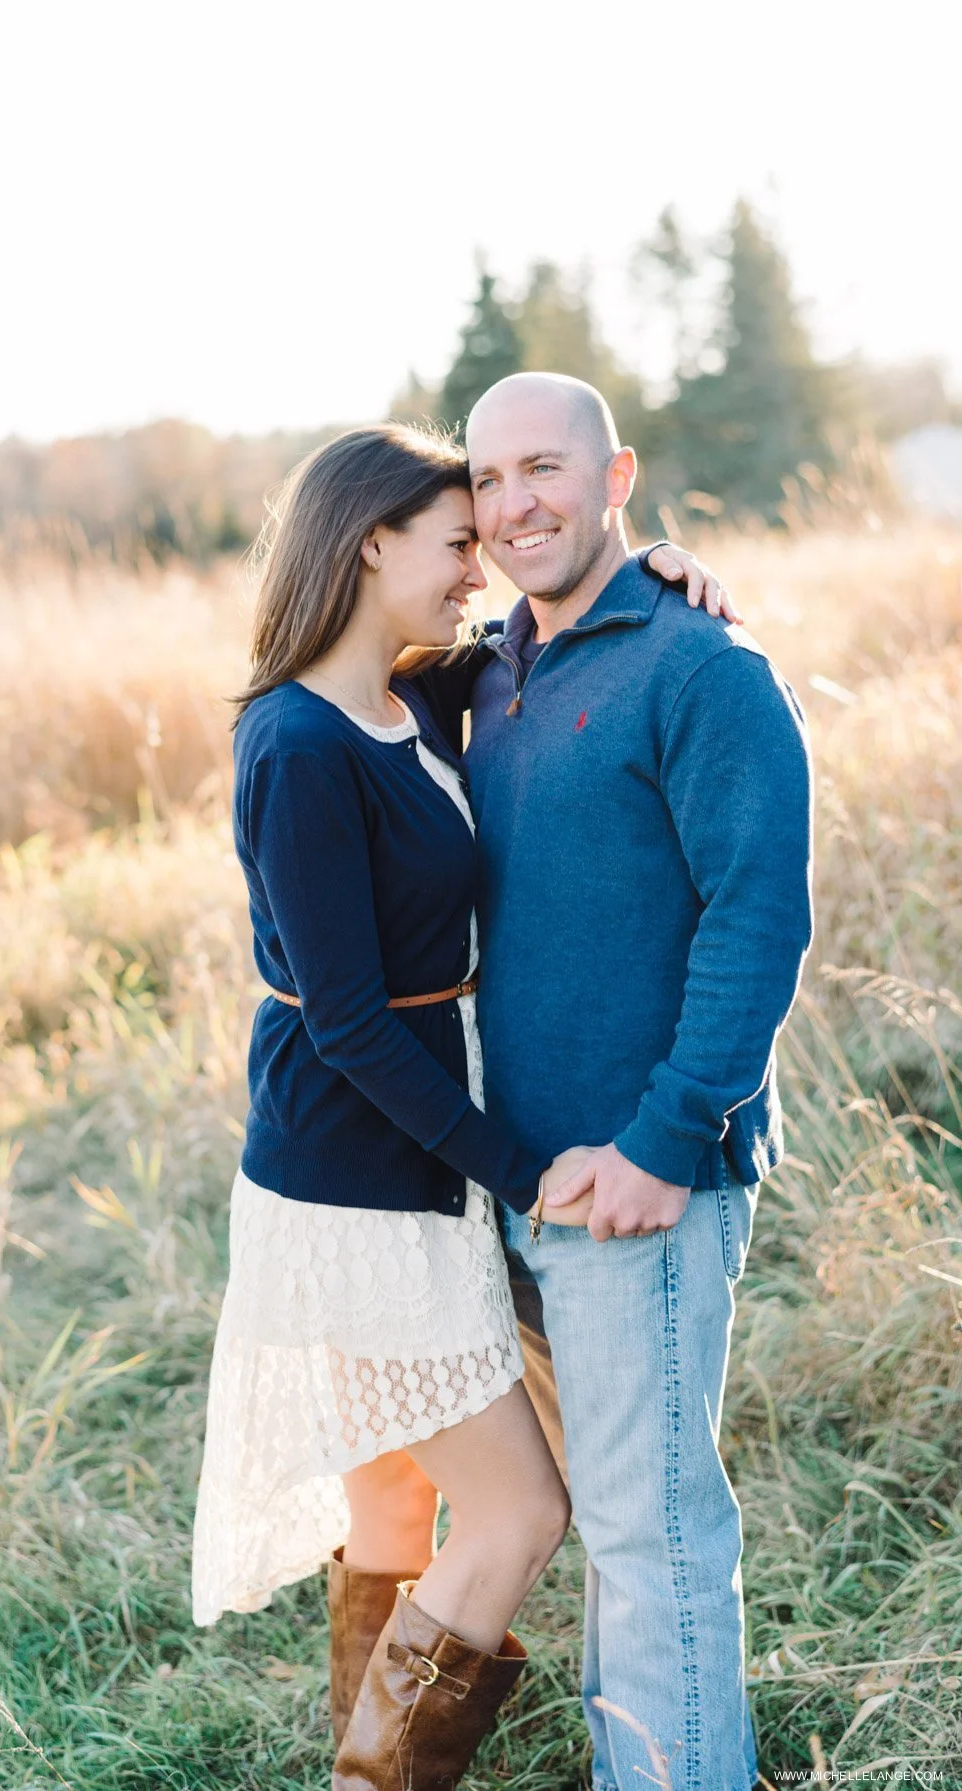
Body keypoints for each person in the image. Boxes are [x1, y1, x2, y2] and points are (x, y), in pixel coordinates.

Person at [189, 420, 735, 1790]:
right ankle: (373, 1777)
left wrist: (651, 564)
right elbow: (353, 1019)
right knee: (522, 1507)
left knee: (395, 1488)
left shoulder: (407, 700)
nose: (476, 570)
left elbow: (536, 650)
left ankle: (368, 1748)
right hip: (355, 1172)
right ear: (371, 545)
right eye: (453, 545)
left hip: (401, 1157)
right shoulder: (298, 744)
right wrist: (514, 1161)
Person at [462, 373, 815, 1791]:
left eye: (542, 468)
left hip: (637, 1186)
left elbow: (758, 912)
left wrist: (668, 1139)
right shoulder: (489, 669)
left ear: (618, 478)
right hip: (517, 1179)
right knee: (614, 1523)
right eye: (485, 482)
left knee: (655, 1531)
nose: (511, 505)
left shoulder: (702, 667)